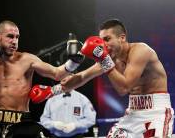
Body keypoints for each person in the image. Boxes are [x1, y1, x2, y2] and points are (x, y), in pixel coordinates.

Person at [34, 19, 174, 137]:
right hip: (133, 112)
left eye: (107, 39)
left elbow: (124, 87)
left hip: (156, 113)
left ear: (122, 38)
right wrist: (53, 91)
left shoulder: (141, 51)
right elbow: (82, 77)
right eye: (101, 40)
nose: (103, 45)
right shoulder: (110, 59)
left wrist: (105, 60)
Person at [0, 20, 84, 138]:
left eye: (17, 37)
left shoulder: (27, 59)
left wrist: (73, 62)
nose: (14, 41)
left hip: (21, 123)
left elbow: (57, 74)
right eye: (10, 36)